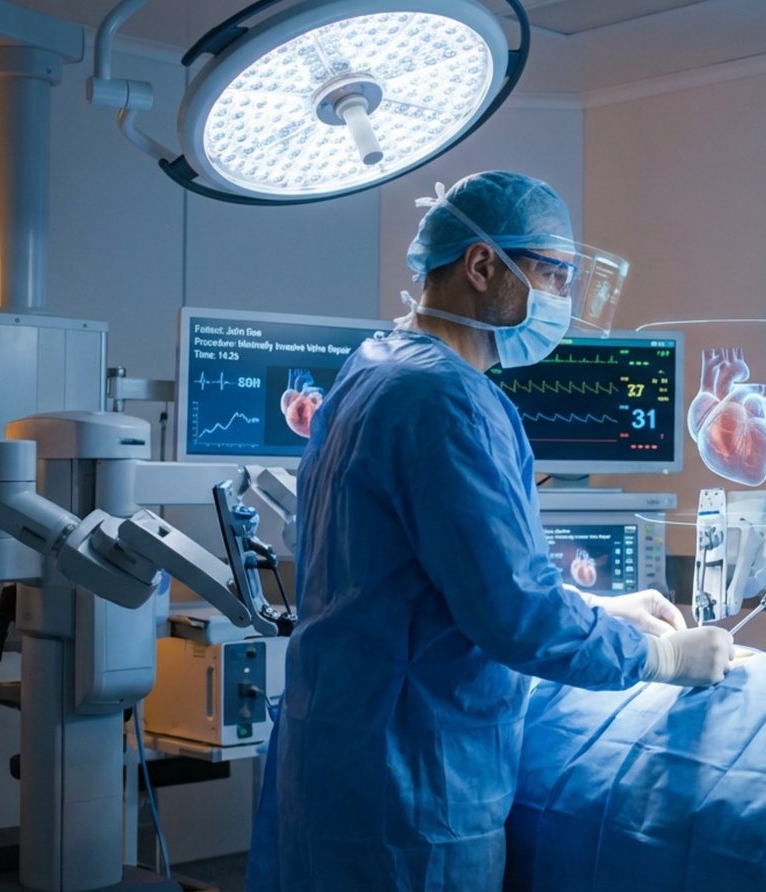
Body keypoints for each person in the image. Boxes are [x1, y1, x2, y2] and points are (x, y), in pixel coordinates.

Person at [246, 171, 735, 891]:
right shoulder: (446, 399)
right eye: (554, 275)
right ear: (481, 266)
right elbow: (516, 616)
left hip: (337, 758)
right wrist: (663, 658)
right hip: (411, 784)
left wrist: (599, 610)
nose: (562, 301)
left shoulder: (374, 368)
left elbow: (421, 580)